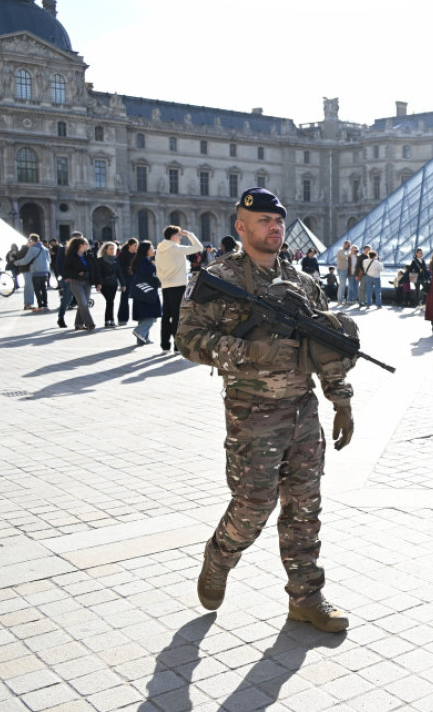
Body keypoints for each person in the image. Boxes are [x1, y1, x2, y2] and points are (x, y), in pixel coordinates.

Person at [177, 187, 355, 633]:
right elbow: (188, 341)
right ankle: (219, 557)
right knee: (254, 505)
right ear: (241, 226)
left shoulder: (303, 283)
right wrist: (250, 352)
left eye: (279, 221)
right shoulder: (219, 279)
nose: (274, 228)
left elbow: (326, 347)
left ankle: (306, 598)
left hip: (302, 411)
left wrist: (341, 400)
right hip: (251, 413)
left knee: (304, 507)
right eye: (263, 221)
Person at [155, 225, 203, 353]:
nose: (180, 238)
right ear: (174, 236)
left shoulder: (159, 249)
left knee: (166, 316)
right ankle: (177, 345)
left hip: (165, 285)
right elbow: (199, 247)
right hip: (179, 285)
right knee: (178, 316)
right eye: (179, 235)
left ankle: (165, 345)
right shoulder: (176, 249)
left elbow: (158, 268)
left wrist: (163, 280)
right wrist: (189, 234)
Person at [62, 237, 98, 331]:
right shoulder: (71, 256)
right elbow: (66, 269)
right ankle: (90, 323)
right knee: (83, 303)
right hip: (76, 282)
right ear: (80, 245)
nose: (88, 246)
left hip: (87, 282)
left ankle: (78, 324)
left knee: (83, 304)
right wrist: (77, 274)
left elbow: (94, 268)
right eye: (86, 244)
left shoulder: (88, 255)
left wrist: (97, 281)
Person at [130, 241, 161, 345]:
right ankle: (139, 331)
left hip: (142, 291)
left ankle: (142, 339)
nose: (154, 250)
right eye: (152, 248)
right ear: (146, 250)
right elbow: (147, 273)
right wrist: (155, 267)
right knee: (153, 314)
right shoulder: (144, 261)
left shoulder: (142, 260)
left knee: (143, 315)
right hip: (147, 290)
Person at [14, 234, 51, 311]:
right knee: (43, 289)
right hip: (44, 272)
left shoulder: (32, 248)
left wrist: (17, 262)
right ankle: (45, 305)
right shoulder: (45, 249)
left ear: (31, 241)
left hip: (36, 271)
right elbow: (49, 260)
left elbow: (26, 260)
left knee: (36, 289)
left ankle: (40, 305)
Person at [96, 241, 126, 328]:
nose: (113, 250)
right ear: (105, 250)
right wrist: (99, 283)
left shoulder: (115, 260)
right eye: (111, 249)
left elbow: (119, 272)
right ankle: (110, 320)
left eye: (114, 249)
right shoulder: (100, 260)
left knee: (110, 301)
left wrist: (123, 284)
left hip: (113, 284)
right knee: (110, 301)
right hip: (104, 284)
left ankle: (109, 320)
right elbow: (98, 273)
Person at [116, 239, 138, 325]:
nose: (136, 248)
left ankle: (138, 317)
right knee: (124, 298)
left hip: (135, 278)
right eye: (134, 246)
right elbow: (119, 268)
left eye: (137, 246)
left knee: (137, 298)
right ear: (129, 245)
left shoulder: (137, 255)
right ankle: (122, 318)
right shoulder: (123, 254)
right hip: (126, 278)